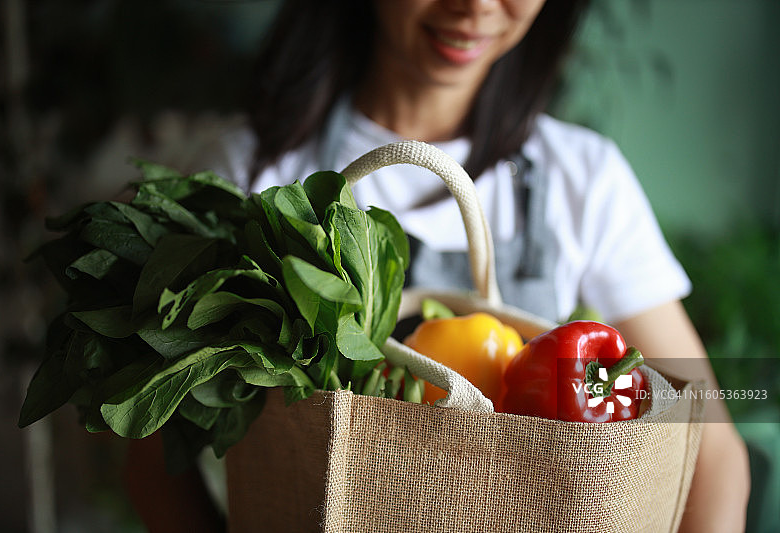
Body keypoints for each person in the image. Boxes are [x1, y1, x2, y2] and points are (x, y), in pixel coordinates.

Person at [127, 1, 750, 531]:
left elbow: (710, 447)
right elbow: (146, 445)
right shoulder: (245, 177)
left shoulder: (581, 179)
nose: (475, 6)